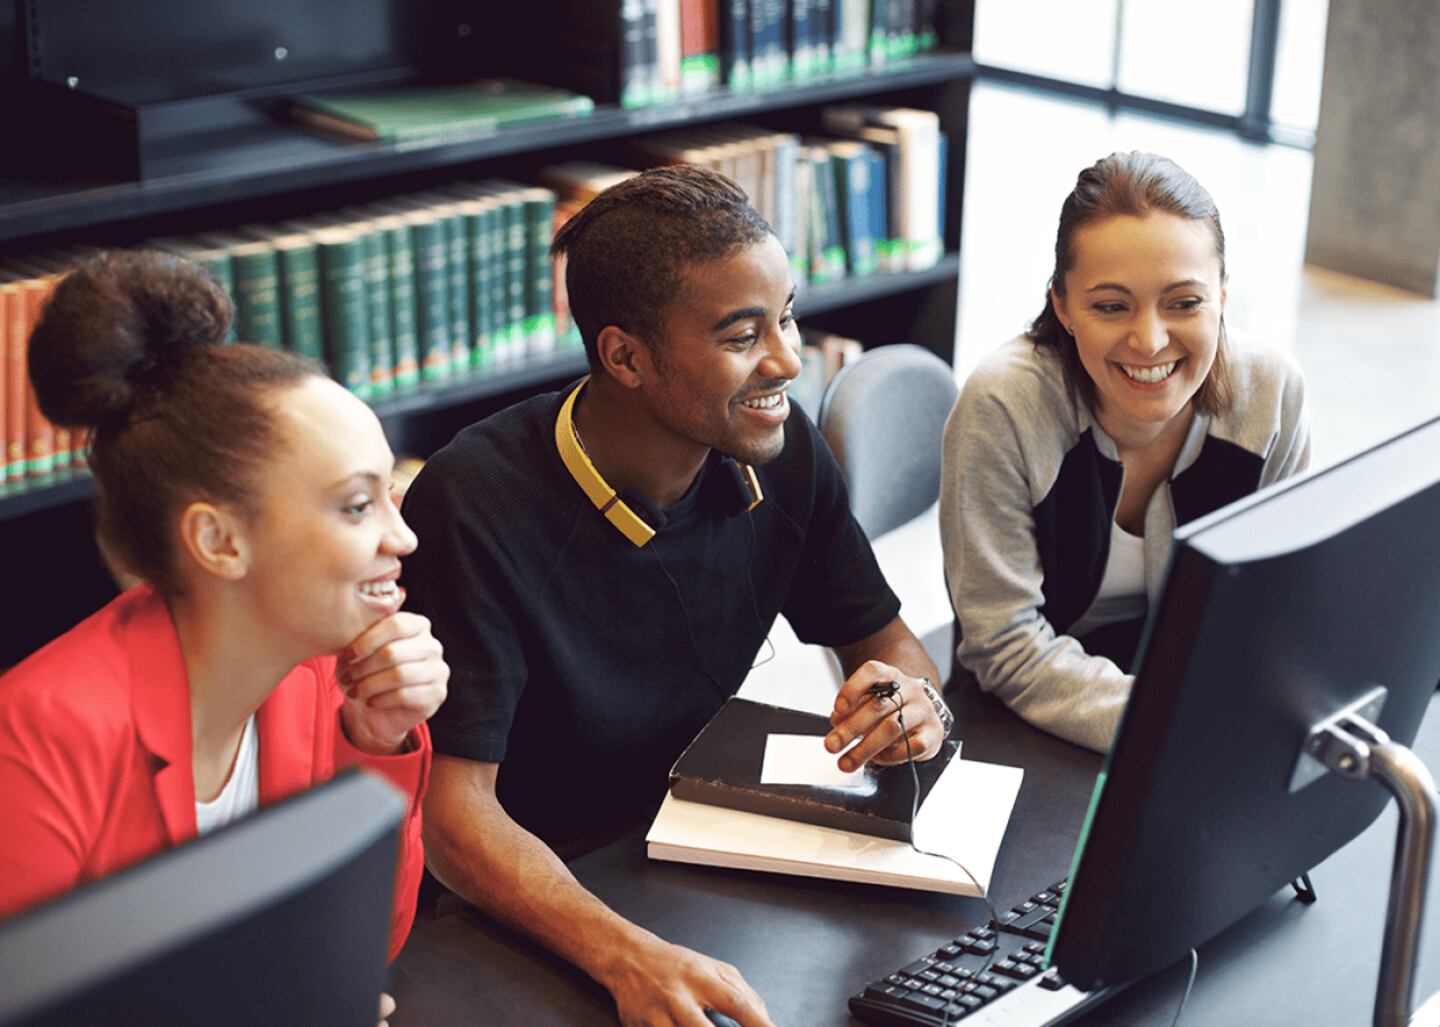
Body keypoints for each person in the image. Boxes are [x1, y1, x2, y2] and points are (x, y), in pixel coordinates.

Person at [401, 165, 951, 1027]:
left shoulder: (779, 448)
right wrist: (624, 953)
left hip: (689, 855)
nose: (788, 359)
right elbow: (452, 819)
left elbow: (886, 641)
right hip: (525, 909)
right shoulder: (471, 500)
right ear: (625, 356)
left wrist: (912, 702)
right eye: (742, 335)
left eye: (787, 316)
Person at [0, 251, 448, 972]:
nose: (404, 538)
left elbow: (365, 949)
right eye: (356, 505)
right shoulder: (37, 738)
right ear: (218, 541)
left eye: (388, 495)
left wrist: (377, 740)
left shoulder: (322, 678)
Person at [940, 151, 1311, 753]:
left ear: (1222, 295)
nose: (1150, 341)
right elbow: (1004, 647)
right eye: (1112, 306)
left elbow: (1279, 602)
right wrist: (1178, 722)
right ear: (1062, 306)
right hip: (1024, 719)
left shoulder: (1271, 393)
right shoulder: (1003, 404)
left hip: (1197, 705)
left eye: (1184, 303)